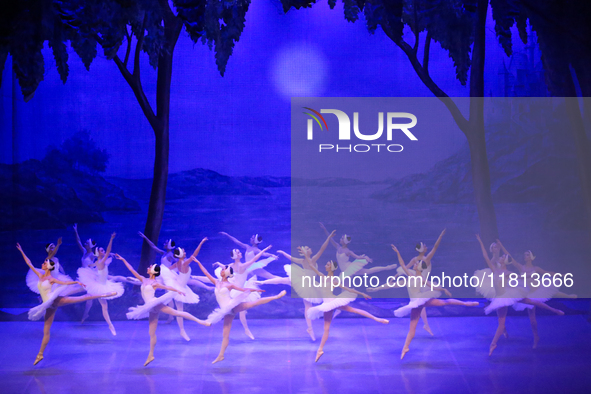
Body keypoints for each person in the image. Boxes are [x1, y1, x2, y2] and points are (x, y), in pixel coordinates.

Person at [17, 243, 115, 365]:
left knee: (82, 297)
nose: (42, 264)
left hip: (56, 300)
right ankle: (40, 354)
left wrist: (76, 282)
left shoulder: (51, 279)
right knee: (46, 331)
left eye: (44, 263)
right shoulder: (40, 276)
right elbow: (29, 263)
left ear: (48, 267)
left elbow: (64, 283)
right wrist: (21, 251)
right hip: (48, 305)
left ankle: (106, 294)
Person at [114, 254, 210, 366]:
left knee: (176, 312)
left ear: (154, 271)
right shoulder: (143, 279)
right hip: (149, 307)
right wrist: (124, 259)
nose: (148, 268)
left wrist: (178, 291)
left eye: (150, 267)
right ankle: (151, 355)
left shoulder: (155, 283)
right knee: (151, 333)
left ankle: (200, 321)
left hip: (155, 303)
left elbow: (168, 287)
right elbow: (131, 269)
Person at [193, 256, 286, 364]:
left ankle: (276, 297)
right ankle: (221, 355)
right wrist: (198, 261)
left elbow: (243, 289)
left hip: (232, 305)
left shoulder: (229, 285)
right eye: (222, 269)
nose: (222, 270)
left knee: (252, 303)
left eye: (224, 269)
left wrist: (255, 290)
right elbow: (205, 272)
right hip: (225, 310)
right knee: (225, 335)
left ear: (226, 273)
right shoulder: (216, 282)